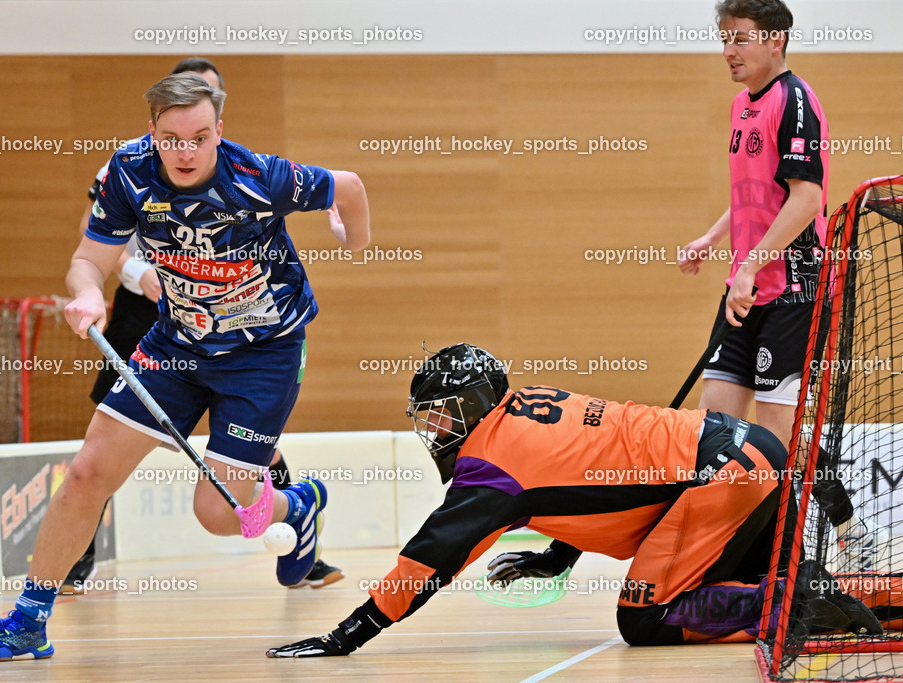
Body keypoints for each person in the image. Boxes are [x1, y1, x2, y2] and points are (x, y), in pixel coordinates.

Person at [0, 72, 369, 662]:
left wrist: (351, 242)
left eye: (199, 137)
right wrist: (89, 293)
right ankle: (28, 621)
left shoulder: (260, 177)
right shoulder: (128, 172)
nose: (186, 151)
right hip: (176, 345)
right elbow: (86, 259)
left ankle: (296, 507)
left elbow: (349, 187)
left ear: (218, 131)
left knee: (218, 514)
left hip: (263, 354)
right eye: (172, 138)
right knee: (85, 473)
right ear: (153, 130)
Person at [265, 343, 881, 657]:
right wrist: (559, 556)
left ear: (475, 406)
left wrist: (348, 634)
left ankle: (794, 606)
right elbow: (593, 474)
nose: (435, 432)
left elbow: (430, 558)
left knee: (645, 619)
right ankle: (853, 598)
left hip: (719, 479)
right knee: (755, 576)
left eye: (441, 416)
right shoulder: (529, 404)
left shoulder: (489, 467)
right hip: (747, 456)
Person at [62, 57, 343, 595]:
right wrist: (137, 272)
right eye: (177, 128)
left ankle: (297, 527)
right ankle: (77, 562)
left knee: (250, 447)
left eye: (211, 112)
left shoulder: (237, 168)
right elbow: (92, 243)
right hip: (151, 313)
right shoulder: (127, 166)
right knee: (103, 446)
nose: (189, 142)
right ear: (161, 117)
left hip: (238, 330)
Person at [677, 0, 883, 571]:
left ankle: (843, 527)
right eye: (723, 40)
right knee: (714, 426)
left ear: (775, 40)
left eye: (739, 39)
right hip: (747, 287)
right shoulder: (743, 104)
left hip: (794, 289)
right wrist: (714, 239)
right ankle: (734, 550)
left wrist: (749, 267)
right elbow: (753, 191)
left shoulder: (795, 100)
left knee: (777, 437)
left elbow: (807, 196)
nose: (728, 52)